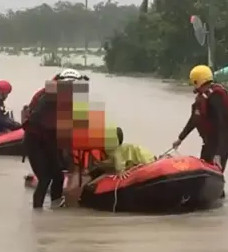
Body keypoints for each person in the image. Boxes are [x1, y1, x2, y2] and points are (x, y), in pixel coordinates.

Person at [22, 68, 89, 209]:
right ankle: (37, 214)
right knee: (45, 178)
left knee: (58, 177)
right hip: (35, 142)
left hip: (50, 141)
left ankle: (55, 209)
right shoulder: (47, 98)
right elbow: (37, 121)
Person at [172, 64, 228, 173]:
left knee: (214, 173)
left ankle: (219, 189)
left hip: (221, 143)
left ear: (197, 81)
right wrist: (180, 139)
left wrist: (219, 154)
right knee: (202, 171)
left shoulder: (216, 98)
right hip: (209, 142)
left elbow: (224, 127)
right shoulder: (203, 98)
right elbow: (194, 120)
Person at [89, 127, 156, 180]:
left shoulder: (114, 149)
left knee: (147, 165)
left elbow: (118, 159)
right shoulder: (103, 151)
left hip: (139, 153)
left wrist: (120, 171)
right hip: (131, 159)